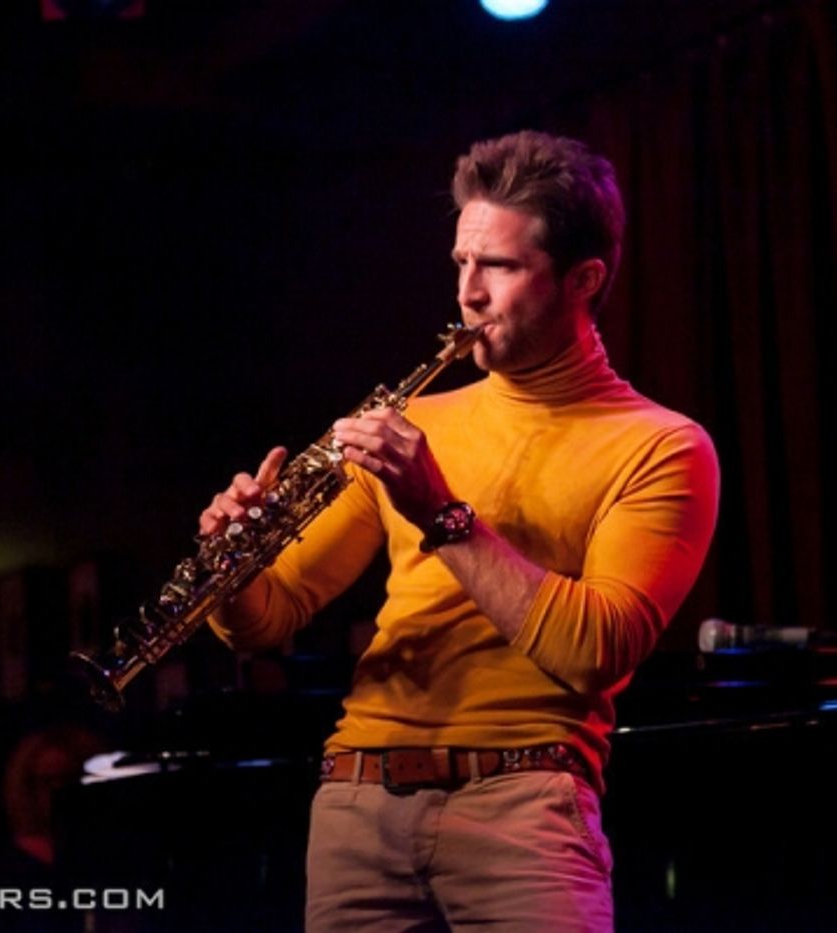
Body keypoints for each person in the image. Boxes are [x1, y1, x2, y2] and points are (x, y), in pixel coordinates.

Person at [202, 130, 720, 931]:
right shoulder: (415, 418)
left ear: (584, 280)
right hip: (356, 801)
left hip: (524, 806)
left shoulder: (660, 444)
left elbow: (597, 650)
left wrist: (441, 513)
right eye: (460, 263)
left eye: (501, 267)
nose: (468, 294)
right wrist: (229, 566)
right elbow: (268, 620)